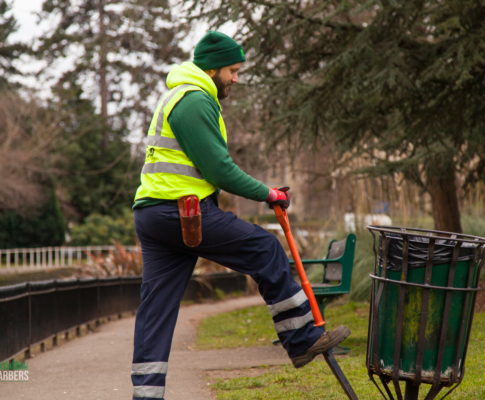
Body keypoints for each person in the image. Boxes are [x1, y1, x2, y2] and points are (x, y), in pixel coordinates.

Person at [130, 31, 350, 400]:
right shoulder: (194, 100)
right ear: (214, 67)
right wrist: (270, 193)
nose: (236, 78)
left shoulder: (180, 95)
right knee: (265, 249)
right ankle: (301, 339)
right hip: (182, 213)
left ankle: (146, 396)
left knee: (156, 311)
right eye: (233, 70)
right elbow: (221, 171)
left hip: (154, 214)